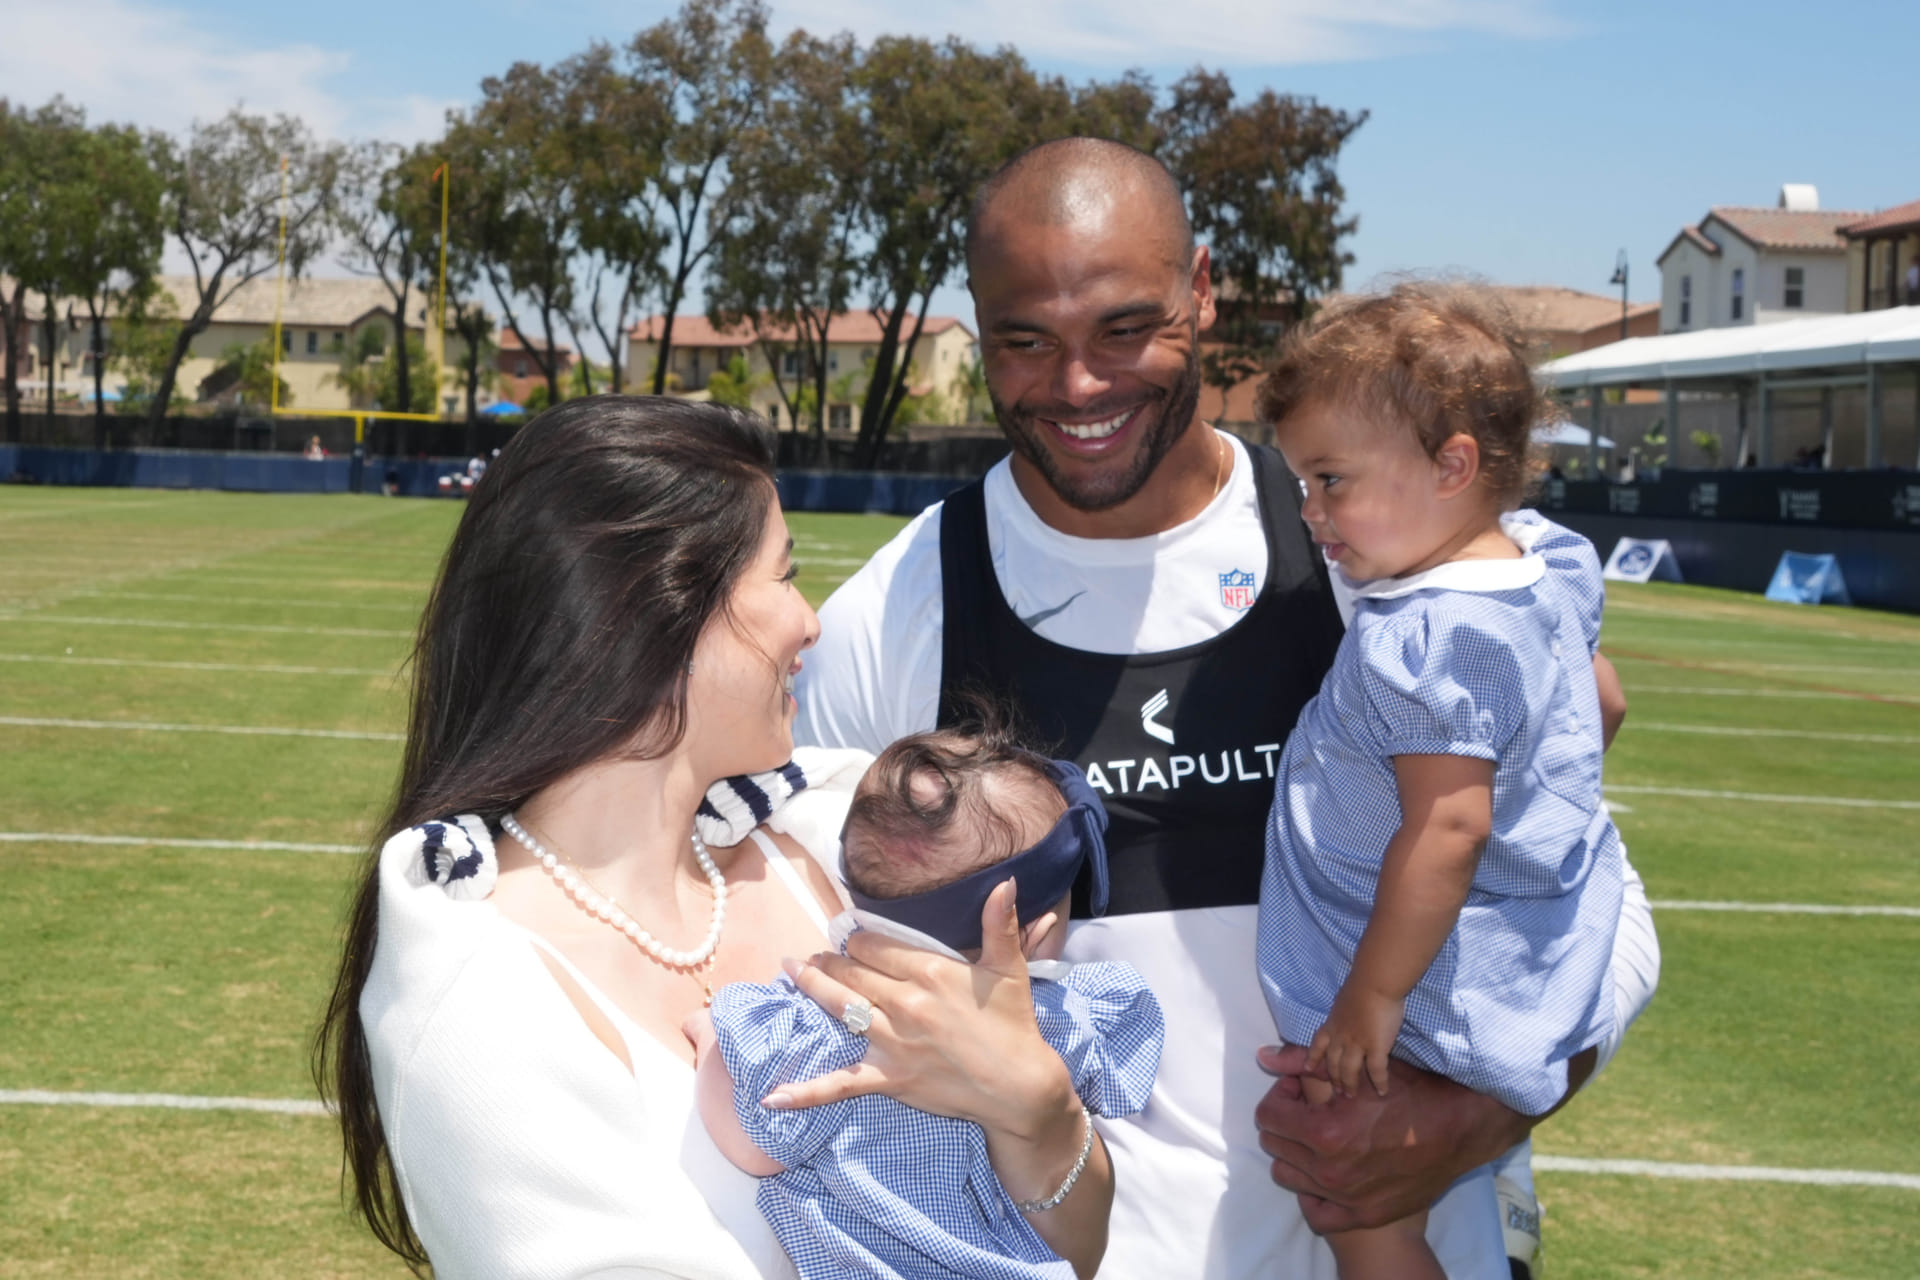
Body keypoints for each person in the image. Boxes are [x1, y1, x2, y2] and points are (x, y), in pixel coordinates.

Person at [792, 138, 1661, 1280]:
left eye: (1124, 326)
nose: (1079, 384)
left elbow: (1598, 907)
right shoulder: (896, 613)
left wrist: (1480, 1119)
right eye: (1025, 341)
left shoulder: (1381, 559)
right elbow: (810, 983)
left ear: (1202, 289)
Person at [314, 397, 1114, 1279]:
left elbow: (1069, 1248)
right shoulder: (474, 1000)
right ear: (661, 610)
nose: (810, 621)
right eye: (783, 575)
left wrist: (1042, 1116)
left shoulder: (842, 855)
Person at [1254, 284, 1628, 1279]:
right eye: (1302, 480)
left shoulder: (1432, 634)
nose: (1310, 510)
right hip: (1496, 952)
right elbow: (1607, 706)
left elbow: (1449, 825)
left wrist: (1372, 998)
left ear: (1453, 464)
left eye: (1331, 479)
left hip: (1419, 987)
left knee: (1355, 1205)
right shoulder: (1543, 562)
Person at [690, 723, 1164, 1280]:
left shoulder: (828, 1027)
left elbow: (755, 1144)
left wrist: (712, 1046)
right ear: (1033, 933)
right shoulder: (1063, 1021)